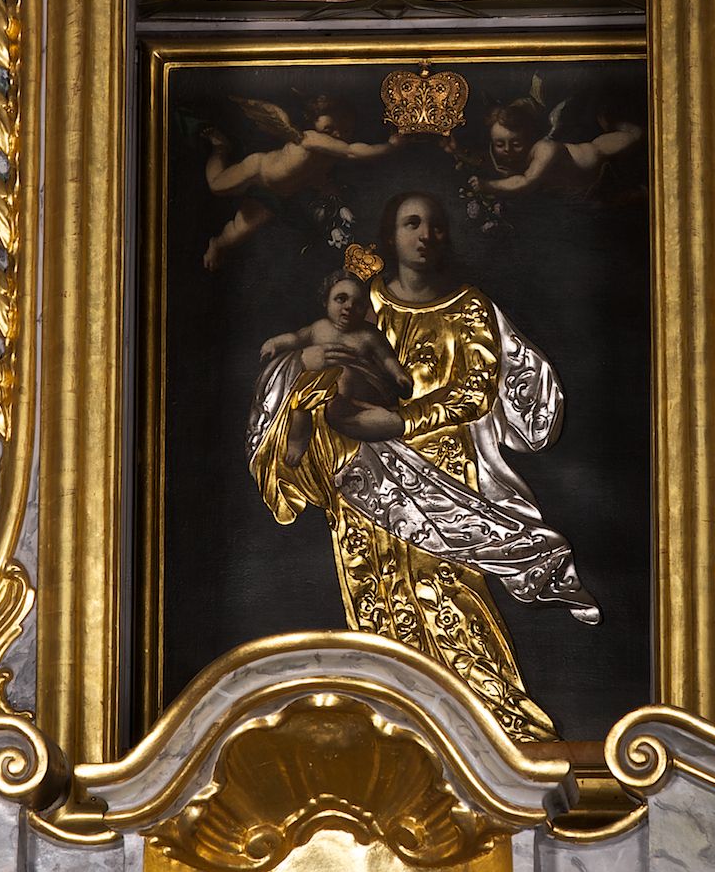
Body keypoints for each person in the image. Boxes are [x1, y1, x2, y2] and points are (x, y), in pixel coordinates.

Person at [248, 192, 600, 742]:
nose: (425, 235)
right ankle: (395, 727)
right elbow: (314, 355)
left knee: (452, 596)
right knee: (376, 590)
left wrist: (401, 421)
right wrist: (305, 364)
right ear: (391, 236)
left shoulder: (469, 308)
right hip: (362, 473)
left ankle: (494, 726)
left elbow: (474, 392)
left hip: (445, 472)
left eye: (435, 225)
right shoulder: (363, 304)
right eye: (412, 224)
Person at [203, 95, 400, 266]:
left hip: (276, 193)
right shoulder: (310, 138)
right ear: (313, 122)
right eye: (329, 128)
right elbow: (352, 151)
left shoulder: (329, 157)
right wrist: (391, 146)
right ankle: (220, 149)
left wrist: (333, 197)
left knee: (240, 230)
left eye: (346, 130)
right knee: (216, 186)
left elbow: (317, 178)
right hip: (257, 171)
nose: (337, 135)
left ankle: (217, 244)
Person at [258, 268, 413, 466]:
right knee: (301, 399)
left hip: (362, 386)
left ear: (366, 309)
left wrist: (399, 375)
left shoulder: (369, 335)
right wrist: (275, 343)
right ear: (326, 301)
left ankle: (347, 409)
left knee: (343, 374)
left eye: (358, 304)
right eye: (341, 299)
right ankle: (298, 438)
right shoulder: (319, 328)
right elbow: (295, 338)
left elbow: (386, 359)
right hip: (324, 387)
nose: (349, 306)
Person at [482, 100, 640, 197]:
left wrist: (489, 185)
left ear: (530, 138)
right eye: (499, 144)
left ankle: (617, 125)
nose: (507, 149)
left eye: (516, 144)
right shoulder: (516, 158)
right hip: (577, 181)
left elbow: (527, 182)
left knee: (635, 136)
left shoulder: (545, 149)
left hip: (593, 158)